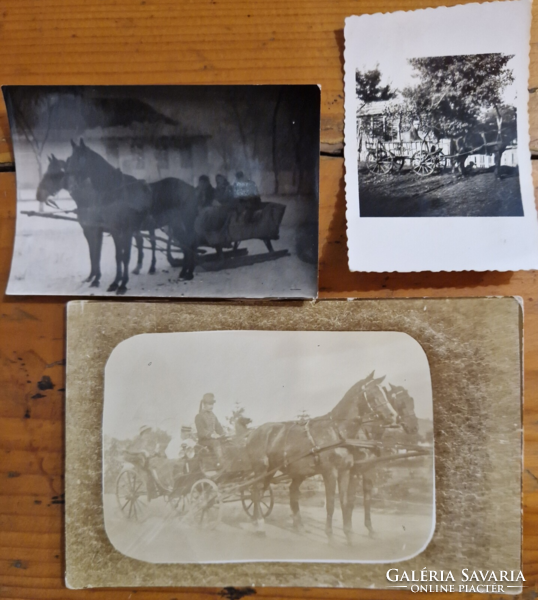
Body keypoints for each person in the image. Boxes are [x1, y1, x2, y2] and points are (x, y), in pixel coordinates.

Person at [194, 393, 225, 468]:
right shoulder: (199, 416)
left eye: (212, 404)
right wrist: (211, 435)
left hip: (212, 440)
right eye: (209, 404)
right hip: (204, 441)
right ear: (204, 404)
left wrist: (224, 434)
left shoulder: (213, 416)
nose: (212, 406)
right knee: (216, 443)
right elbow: (201, 432)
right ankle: (222, 464)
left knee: (227, 442)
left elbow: (218, 427)